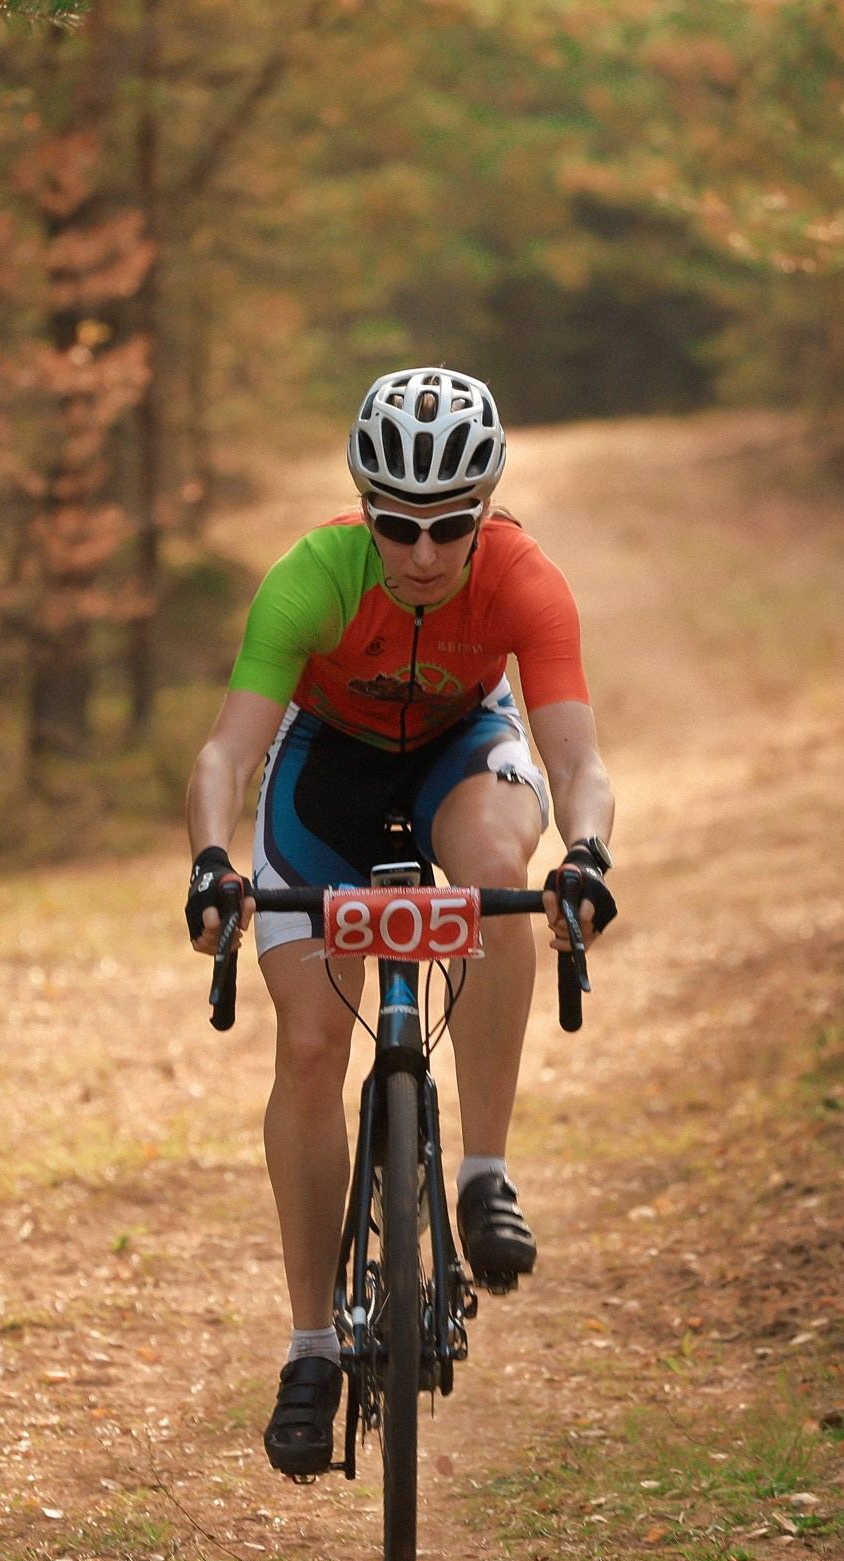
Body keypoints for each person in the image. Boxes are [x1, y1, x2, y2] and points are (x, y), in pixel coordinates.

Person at [181, 367, 619, 1480]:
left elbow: (574, 755)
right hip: (326, 773)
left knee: (486, 869)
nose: (423, 551)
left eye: (451, 525)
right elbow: (228, 749)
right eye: (396, 523)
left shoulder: (525, 579)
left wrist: (588, 854)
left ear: (488, 508)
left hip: (461, 756)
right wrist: (211, 861)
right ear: (363, 507)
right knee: (314, 1043)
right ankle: (312, 1345)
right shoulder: (310, 578)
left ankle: (483, 1173)